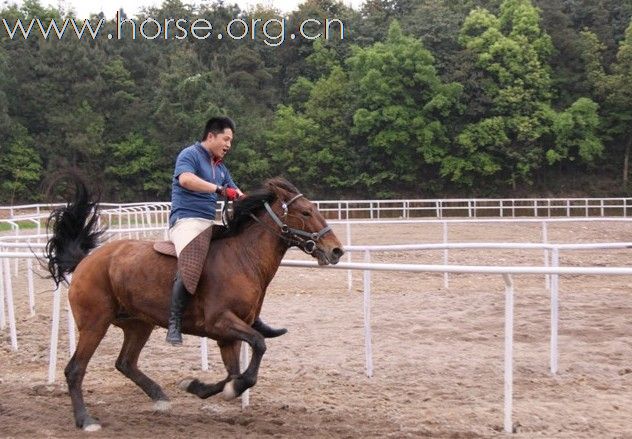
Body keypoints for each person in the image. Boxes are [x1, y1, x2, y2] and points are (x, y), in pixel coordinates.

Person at [166, 116, 286, 345]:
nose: (229, 145)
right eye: (226, 139)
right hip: (185, 221)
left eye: (231, 141)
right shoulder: (189, 155)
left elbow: (236, 193)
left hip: (208, 223)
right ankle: (174, 322)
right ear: (211, 136)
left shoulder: (220, 167)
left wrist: (254, 203)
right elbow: (186, 180)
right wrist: (220, 189)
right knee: (192, 260)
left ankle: (252, 317)